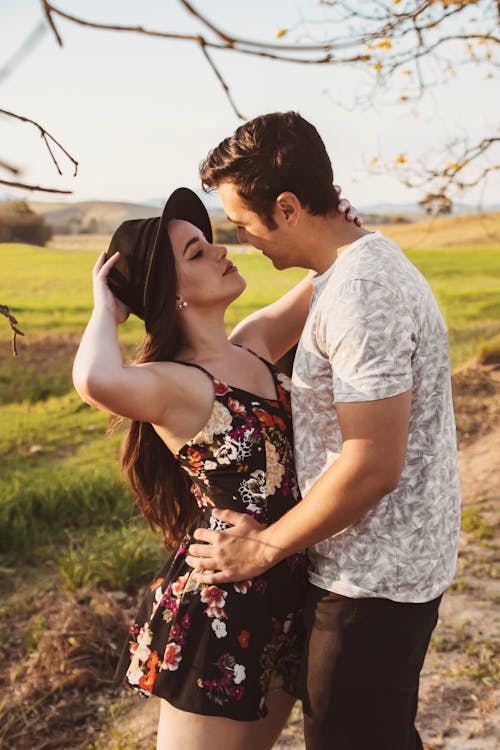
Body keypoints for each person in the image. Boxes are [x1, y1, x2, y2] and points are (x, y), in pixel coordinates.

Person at [185, 112, 462, 750]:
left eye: (242, 223)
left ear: (286, 207)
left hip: (374, 580)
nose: (243, 240)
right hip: (373, 565)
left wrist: (264, 548)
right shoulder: (345, 275)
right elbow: (250, 342)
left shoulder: (361, 290)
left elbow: (371, 464)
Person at [72, 186, 358, 750]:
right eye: (196, 253)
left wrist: (337, 222)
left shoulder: (251, 344)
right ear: (170, 294)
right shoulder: (178, 383)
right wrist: (105, 306)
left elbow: (331, 273)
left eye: (210, 242)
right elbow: (95, 381)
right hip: (224, 604)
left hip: (284, 589)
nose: (220, 251)